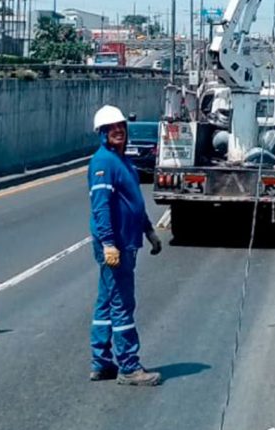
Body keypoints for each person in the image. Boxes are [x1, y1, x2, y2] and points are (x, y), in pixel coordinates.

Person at [88, 105, 163, 386]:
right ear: (102, 134)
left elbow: (133, 203)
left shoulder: (123, 162)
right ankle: (129, 366)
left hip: (126, 241)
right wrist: (108, 243)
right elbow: (101, 208)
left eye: (121, 126)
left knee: (106, 302)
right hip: (116, 244)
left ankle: (101, 362)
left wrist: (149, 231)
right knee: (122, 304)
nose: (118, 131)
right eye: (111, 128)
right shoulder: (103, 163)